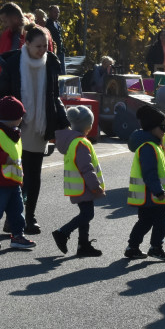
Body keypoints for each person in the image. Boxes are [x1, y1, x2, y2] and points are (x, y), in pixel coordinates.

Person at [0, 25, 70, 235]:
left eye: (45, 46)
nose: (43, 50)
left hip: (40, 126)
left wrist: (63, 122)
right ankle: (12, 218)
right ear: (26, 43)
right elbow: (0, 95)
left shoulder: (51, 63)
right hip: (16, 127)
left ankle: (30, 217)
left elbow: (54, 96)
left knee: (34, 176)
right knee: (16, 175)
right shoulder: (12, 63)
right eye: (38, 46)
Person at [0, 96, 35, 251]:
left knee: (17, 210)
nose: (21, 119)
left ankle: (18, 235)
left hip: (13, 181)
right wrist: (5, 159)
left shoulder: (14, 133)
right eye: (19, 116)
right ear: (12, 118)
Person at [52, 105, 104, 257]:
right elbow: (86, 168)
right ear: (88, 126)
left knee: (85, 214)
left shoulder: (72, 141)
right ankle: (63, 232)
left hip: (78, 186)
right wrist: (95, 186)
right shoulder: (81, 143)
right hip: (84, 186)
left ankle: (83, 244)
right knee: (88, 215)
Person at [125, 105, 165, 261]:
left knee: (145, 221)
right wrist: (158, 191)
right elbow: (149, 172)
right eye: (162, 127)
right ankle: (156, 248)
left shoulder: (153, 145)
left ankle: (132, 247)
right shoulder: (149, 147)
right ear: (153, 128)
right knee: (161, 220)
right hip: (151, 194)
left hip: (147, 194)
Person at [45, 5, 66, 73]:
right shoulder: (47, 24)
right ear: (50, 12)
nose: (57, 14)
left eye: (58, 12)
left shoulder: (58, 23)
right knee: (55, 72)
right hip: (53, 52)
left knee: (63, 72)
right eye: (55, 12)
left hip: (61, 52)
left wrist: (63, 49)